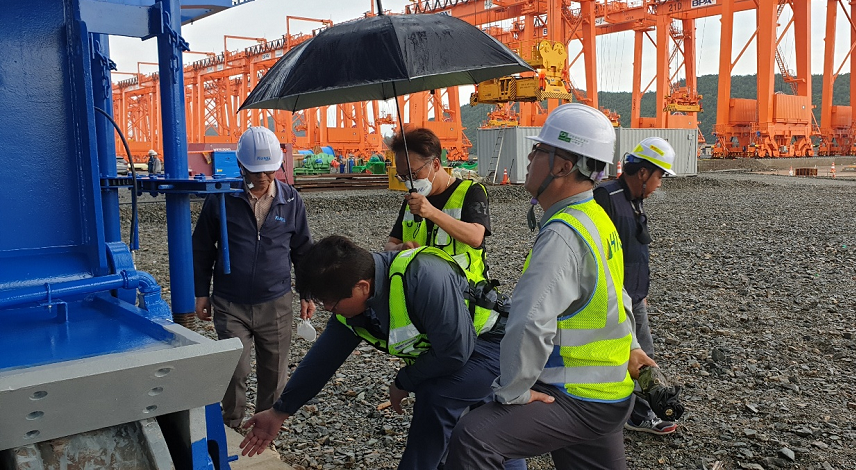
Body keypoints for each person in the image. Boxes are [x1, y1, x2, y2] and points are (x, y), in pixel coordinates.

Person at [445, 103, 657, 470]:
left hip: (577, 396)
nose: (529, 158)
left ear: (563, 165)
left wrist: (514, 391)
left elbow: (529, 322)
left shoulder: (562, 234)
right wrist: (633, 347)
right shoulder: (595, 218)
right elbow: (616, 296)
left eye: (539, 150)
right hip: (609, 391)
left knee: (473, 437)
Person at [237, 235, 523, 470]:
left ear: (362, 287)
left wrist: (403, 381)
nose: (328, 310)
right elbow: (321, 362)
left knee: (437, 396)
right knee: (488, 424)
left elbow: (454, 352)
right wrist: (279, 411)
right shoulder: (355, 300)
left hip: (497, 345)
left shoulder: (423, 276)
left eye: (331, 303)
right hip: (463, 352)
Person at [192, 126, 314, 430]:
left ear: (278, 165)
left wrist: (307, 293)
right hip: (230, 301)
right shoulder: (221, 199)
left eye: (268, 170)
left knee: (274, 372)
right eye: (255, 170)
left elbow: (303, 250)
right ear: (241, 165)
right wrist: (200, 292)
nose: (262, 177)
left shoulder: (291, 200)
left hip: (276, 301)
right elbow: (203, 247)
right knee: (236, 369)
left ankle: (265, 425)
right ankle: (230, 425)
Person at [594, 137, 678, 435]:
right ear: (643, 173)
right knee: (639, 354)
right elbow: (600, 255)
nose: (659, 184)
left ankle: (628, 411)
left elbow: (632, 251)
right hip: (615, 298)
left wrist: (641, 294)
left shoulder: (632, 198)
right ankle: (639, 415)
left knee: (634, 352)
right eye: (659, 176)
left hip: (633, 296)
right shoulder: (606, 197)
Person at [385, 128, 492, 282]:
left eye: (413, 173)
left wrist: (431, 212)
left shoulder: (471, 191)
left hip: (463, 292)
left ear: (435, 164)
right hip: (422, 288)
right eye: (403, 176)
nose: (409, 181)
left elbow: (475, 237)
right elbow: (389, 245)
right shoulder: (411, 200)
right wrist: (400, 248)